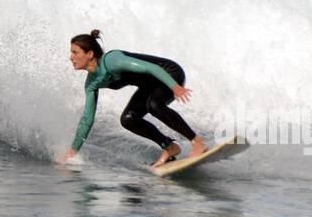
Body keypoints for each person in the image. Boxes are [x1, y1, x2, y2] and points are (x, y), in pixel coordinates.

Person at [56, 29, 208, 169]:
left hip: (168, 73)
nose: (71, 57)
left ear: (89, 54)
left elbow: (151, 68)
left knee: (154, 105)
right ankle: (169, 147)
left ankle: (197, 142)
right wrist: (73, 150)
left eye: (75, 52)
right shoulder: (91, 84)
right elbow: (87, 118)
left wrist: (174, 86)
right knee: (128, 119)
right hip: (151, 85)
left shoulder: (112, 60)